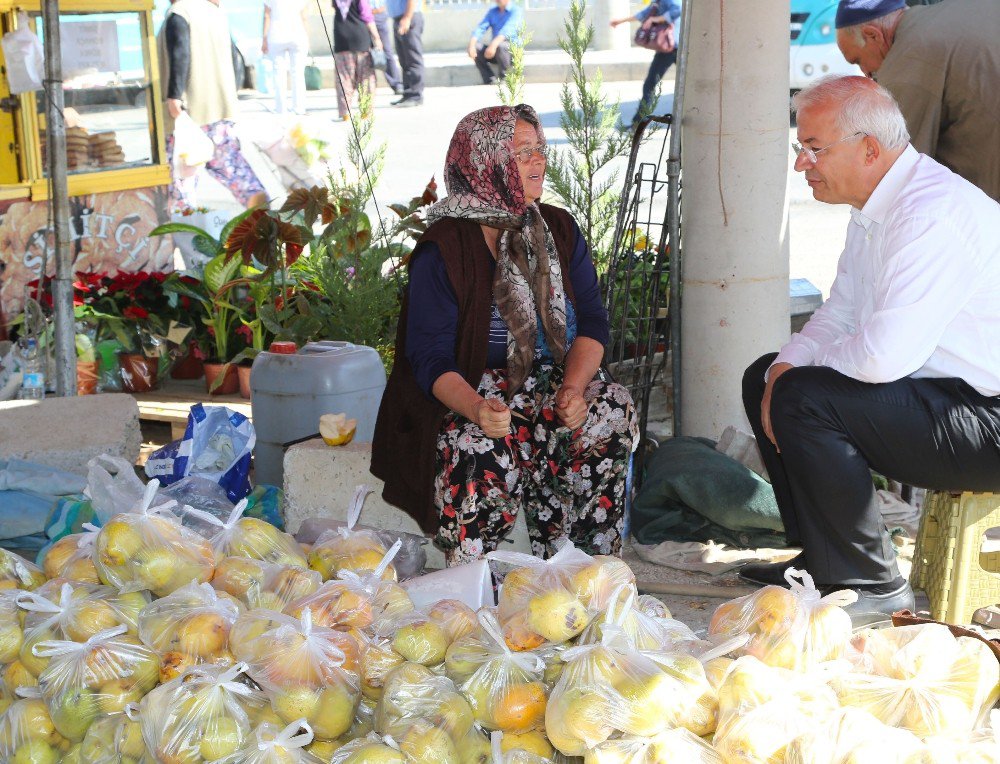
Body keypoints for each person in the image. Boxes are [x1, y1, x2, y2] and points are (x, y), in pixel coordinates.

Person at [740, 75, 1000, 625]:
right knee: (767, 375)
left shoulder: (929, 214)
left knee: (802, 396)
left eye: (814, 149)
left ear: (869, 149)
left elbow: (882, 358)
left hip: (988, 418)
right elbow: (839, 312)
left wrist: (795, 382)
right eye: (800, 148)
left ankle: (871, 582)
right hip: (949, 395)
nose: (800, 164)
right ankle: (824, 557)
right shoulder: (878, 208)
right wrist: (786, 367)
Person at [371, 105, 639, 564]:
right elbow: (429, 357)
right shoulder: (445, 248)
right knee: (479, 444)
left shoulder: (557, 228)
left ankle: (585, 570)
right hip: (470, 388)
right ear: (486, 163)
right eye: (522, 153)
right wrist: (478, 409)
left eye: (540, 150)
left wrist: (574, 388)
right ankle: (477, 579)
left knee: (609, 409)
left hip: (551, 380)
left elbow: (592, 322)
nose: (538, 162)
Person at [834, 0, 1000, 202]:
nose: (866, 73)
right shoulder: (965, 9)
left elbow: (896, 170)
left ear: (873, 35)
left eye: (858, 60)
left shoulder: (908, 59)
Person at [158, 0, 267, 212]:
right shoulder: (214, 13)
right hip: (221, 109)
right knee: (232, 167)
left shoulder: (179, 13)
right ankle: (260, 210)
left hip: (188, 113)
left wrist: (174, 95)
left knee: (183, 176)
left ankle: (185, 227)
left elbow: (180, 53)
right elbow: (237, 59)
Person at [609, 0, 681, 122]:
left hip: (673, 47)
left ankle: (638, 123)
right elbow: (643, 14)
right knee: (650, 85)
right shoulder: (657, 1)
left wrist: (655, 20)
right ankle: (638, 122)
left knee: (650, 85)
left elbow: (677, 10)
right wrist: (620, 21)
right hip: (668, 48)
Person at [332, 0, 384, 121]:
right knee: (366, 77)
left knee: (344, 79)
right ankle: (366, 112)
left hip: (341, 40)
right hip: (361, 39)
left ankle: (345, 113)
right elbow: (367, 16)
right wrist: (377, 38)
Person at [261, 0, 309, 115]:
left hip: (276, 35)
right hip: (297, 33)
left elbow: (267, 16)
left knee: (278, 73)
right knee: (297, 73)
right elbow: (304, 17)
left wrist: (264, 38)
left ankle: (280, 108)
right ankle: (299, 108)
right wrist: (307, 37)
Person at [467, 0, 525, 86]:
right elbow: (481, 28)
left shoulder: (516, 11)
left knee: (502, 46)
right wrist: (471, 45)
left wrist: (493, 45)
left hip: (512, 53)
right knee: (476, 48)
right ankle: (490, 80)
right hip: (495, 51)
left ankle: (505, 78)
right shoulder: (492, 12)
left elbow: (508, 30)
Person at [386, 0, 424, 106]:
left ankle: (415, 95)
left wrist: (407, 17)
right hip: (400, 18)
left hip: (409, 17)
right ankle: (408, 93)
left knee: (413, 58)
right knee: (404, 59)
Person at [370, 0, 404, 95]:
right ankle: (366, 86)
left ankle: (397, 84)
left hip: (378, 14)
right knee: (363, 53)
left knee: (386, 51)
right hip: (361, 16)